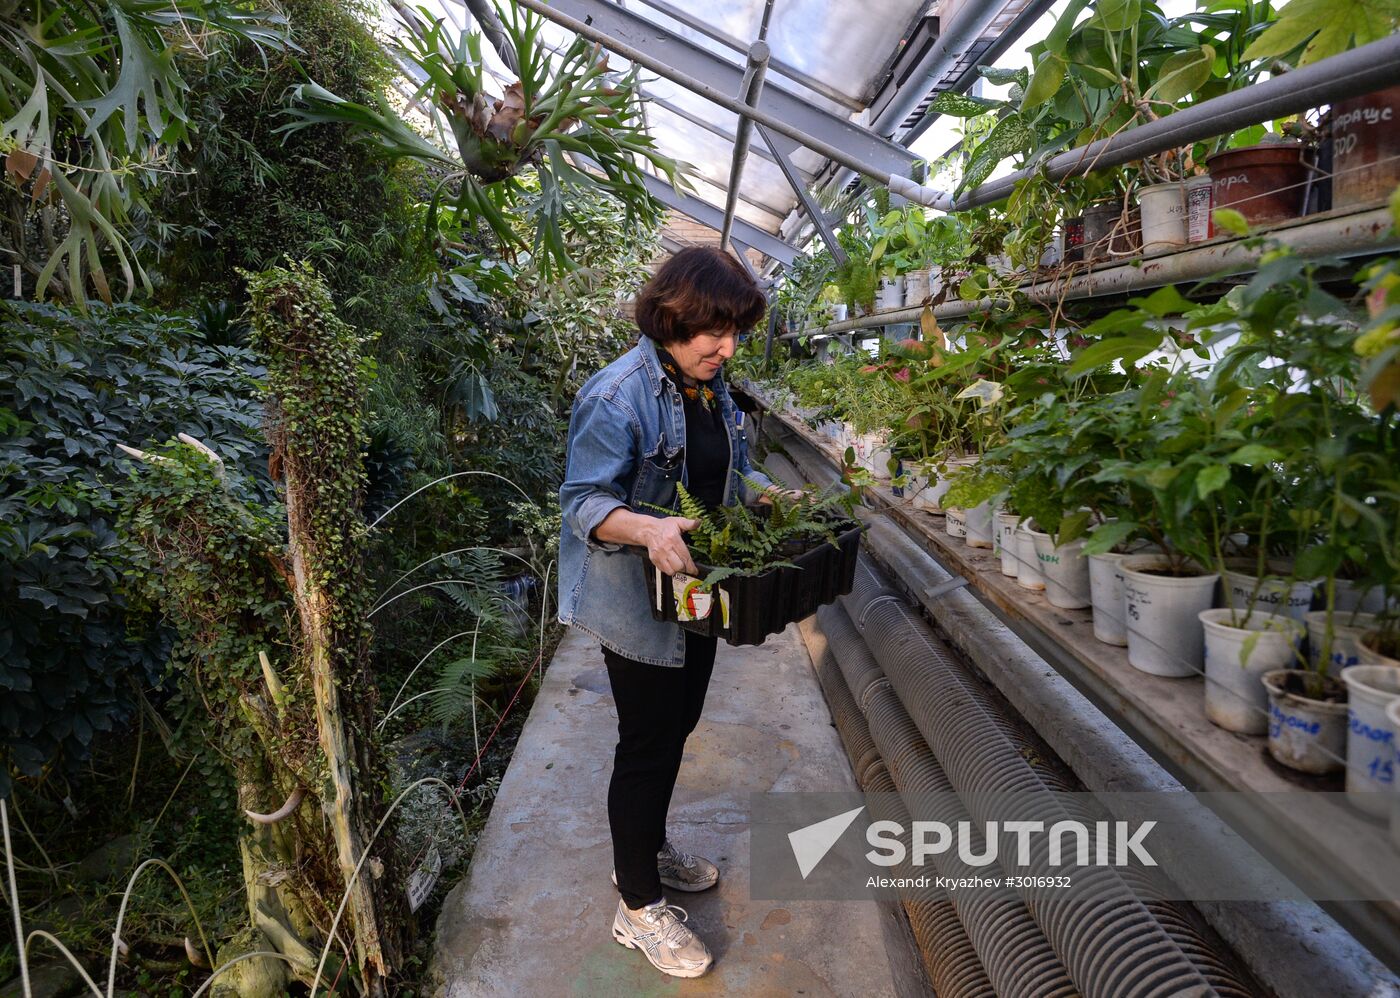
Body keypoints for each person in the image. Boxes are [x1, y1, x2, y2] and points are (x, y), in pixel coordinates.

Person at [558, 245, 774, 979]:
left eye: (736, 331)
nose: (726, 346)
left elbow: (729, 471)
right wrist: (647, 527)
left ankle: (645, 848)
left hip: (695, 588)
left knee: (678, 724)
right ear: (674, 317)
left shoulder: (707, 387)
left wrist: (769, 492)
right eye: (714, 329)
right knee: (648, 741)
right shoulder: (617, 395)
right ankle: (638, 908)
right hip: (635, 596)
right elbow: (582, 501)